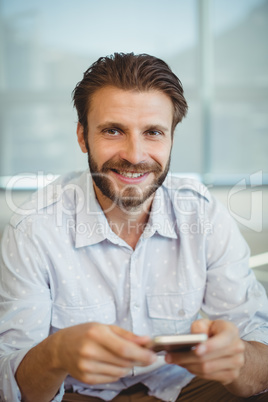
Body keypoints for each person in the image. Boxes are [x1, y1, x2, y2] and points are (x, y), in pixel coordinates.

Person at [0, 53, 268, 402]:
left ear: (171, 138)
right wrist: (56, 353)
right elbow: (12, 389)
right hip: (75, 393)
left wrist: (238, 360)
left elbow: (259, 361)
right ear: (83, 136)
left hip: (183, 387)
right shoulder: (32, 228)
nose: (135, 154)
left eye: (153, 132)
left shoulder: (203, 215)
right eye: (113, 130)